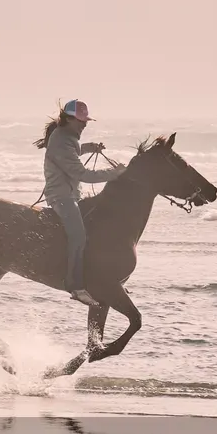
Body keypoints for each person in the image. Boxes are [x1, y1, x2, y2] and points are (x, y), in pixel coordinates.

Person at [34, 99, 126, 306]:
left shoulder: (66, 137)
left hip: (71, 195)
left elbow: (71, 151)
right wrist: (115, 173)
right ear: (69, 119)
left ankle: (102, 280)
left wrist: (89, 148)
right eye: (81, 120)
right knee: (78, 236)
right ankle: (75, 286)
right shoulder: (62, 141)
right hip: (61, 197)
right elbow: (83, 174)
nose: (84, 124)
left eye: (85, 121)